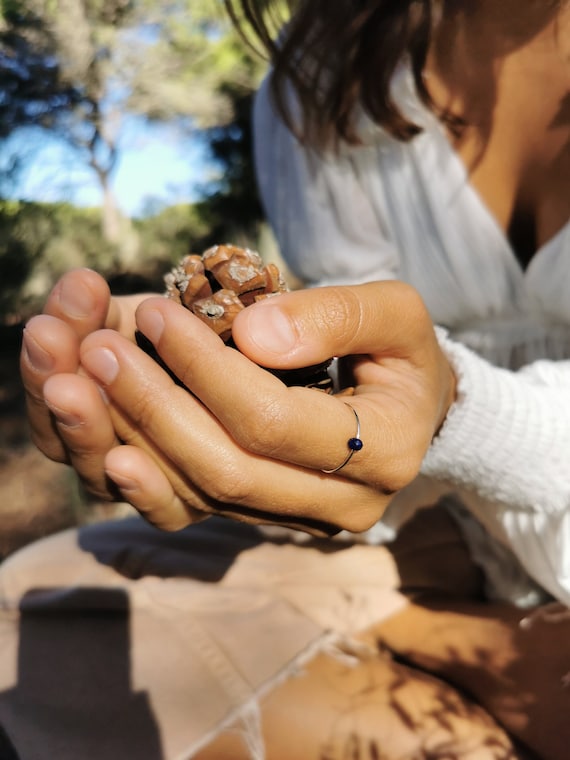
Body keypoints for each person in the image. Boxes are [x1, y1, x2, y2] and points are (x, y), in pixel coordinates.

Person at [2, 0, 569, 758]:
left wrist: (455, 407)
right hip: (450, 533)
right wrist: (244, 408)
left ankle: (413, 645)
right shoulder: (321, 75)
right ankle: (434, 634)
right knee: (34, 606)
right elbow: (361, 398)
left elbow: (431, 396)